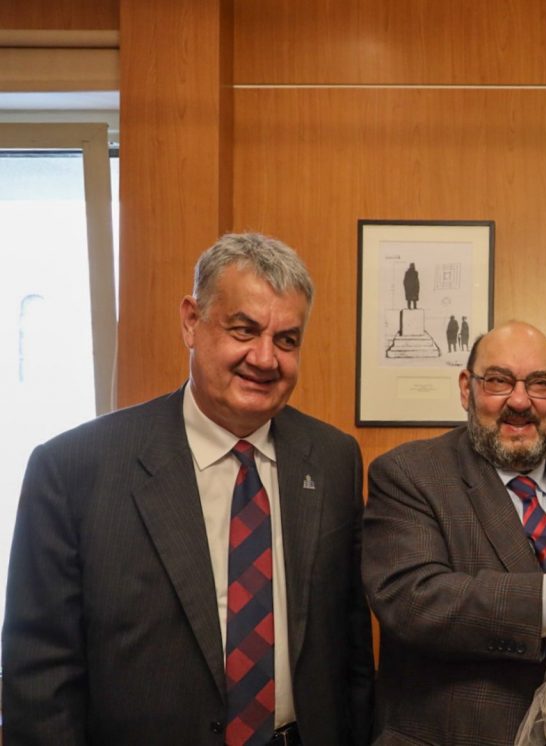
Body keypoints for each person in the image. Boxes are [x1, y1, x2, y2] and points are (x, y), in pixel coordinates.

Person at [2, 233, 375, 745]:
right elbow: (40, 678)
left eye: (287, 340)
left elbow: (352, 650)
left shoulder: (333, 460)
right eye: (244, 330)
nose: (265, 358)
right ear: (191, 321)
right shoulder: (73, 470)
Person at [362, 320, 546, 745]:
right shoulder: (409, 474)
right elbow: (414, 600)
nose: (520, 401)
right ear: (467, 388)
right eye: (498, 381)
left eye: (540, 383)